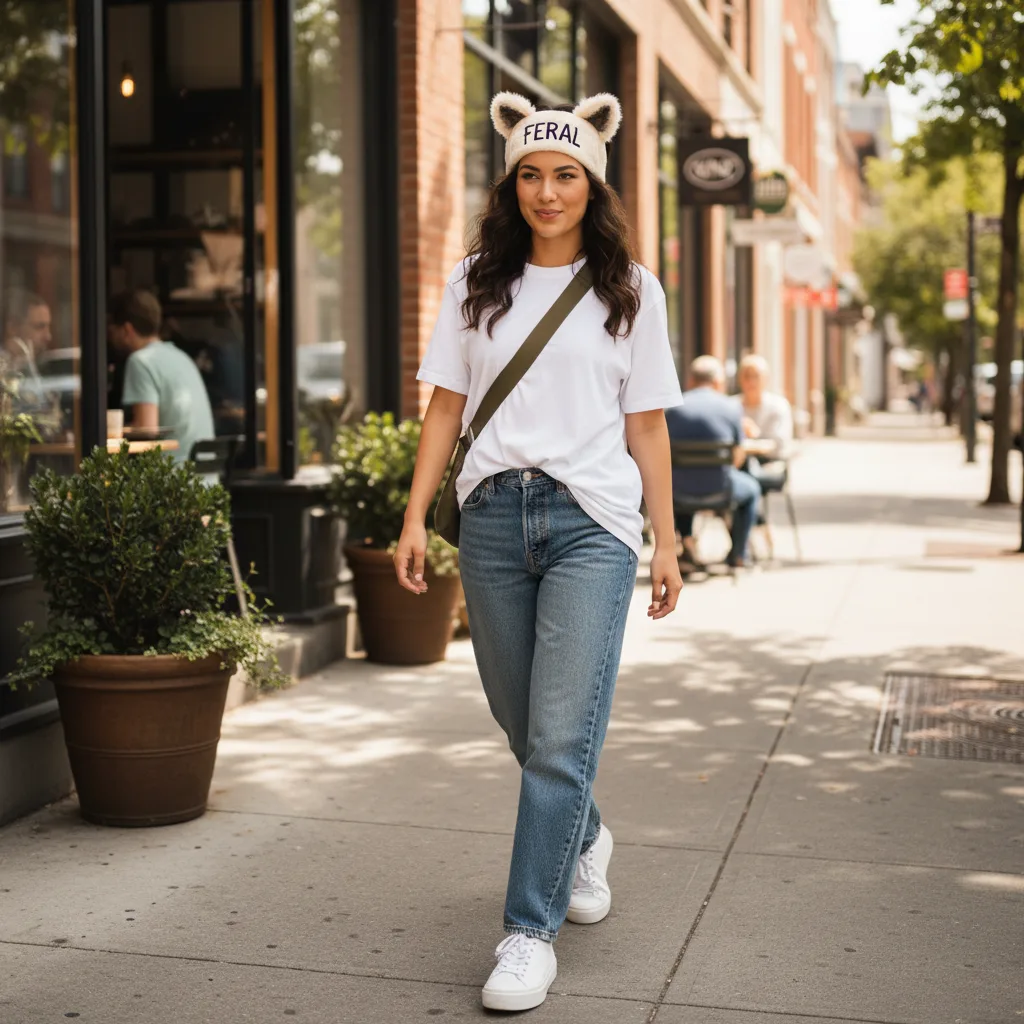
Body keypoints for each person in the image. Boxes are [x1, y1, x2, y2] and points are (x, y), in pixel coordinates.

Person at [392, 91, 683, 1012]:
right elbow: (444, 404)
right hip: (488, 519)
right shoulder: (477, 278)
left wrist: (666, 540)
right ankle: (585, 833)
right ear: (511, 181)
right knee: (521, 722)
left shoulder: (630, 289)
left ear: (592, 182)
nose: (547, 191)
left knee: (560, 733)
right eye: (531, 174)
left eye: (565, 174)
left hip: (590, 523)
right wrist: (410, 518)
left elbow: (647, 425)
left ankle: (527, 932)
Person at [666, 355, 760, 570]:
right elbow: (738, 454)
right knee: (753, 489)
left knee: (679, 478)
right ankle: (738, 554)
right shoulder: (731, 408)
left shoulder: (673, 408)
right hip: (721, 489)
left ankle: (687, 544)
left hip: (678, 492)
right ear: (718, 383)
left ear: (690, 381)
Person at [108, 290, 215, 465]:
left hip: (174, 479)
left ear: (127, 330)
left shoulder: (140, 361)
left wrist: (106, 430)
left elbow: (147, 430)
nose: (110, 338)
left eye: (112, 330)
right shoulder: (180, 357)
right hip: (206, 481)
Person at [733, 353, 793, 496]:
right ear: (740, 379)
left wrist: (751, 436)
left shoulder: (778, 406)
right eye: (747, 376)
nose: (751, 381)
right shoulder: (732, 405)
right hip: (736, 463)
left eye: (756, 376)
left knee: (742, 480)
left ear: (766, 379)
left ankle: (754, 516)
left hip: (769, 464)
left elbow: (778, 444)